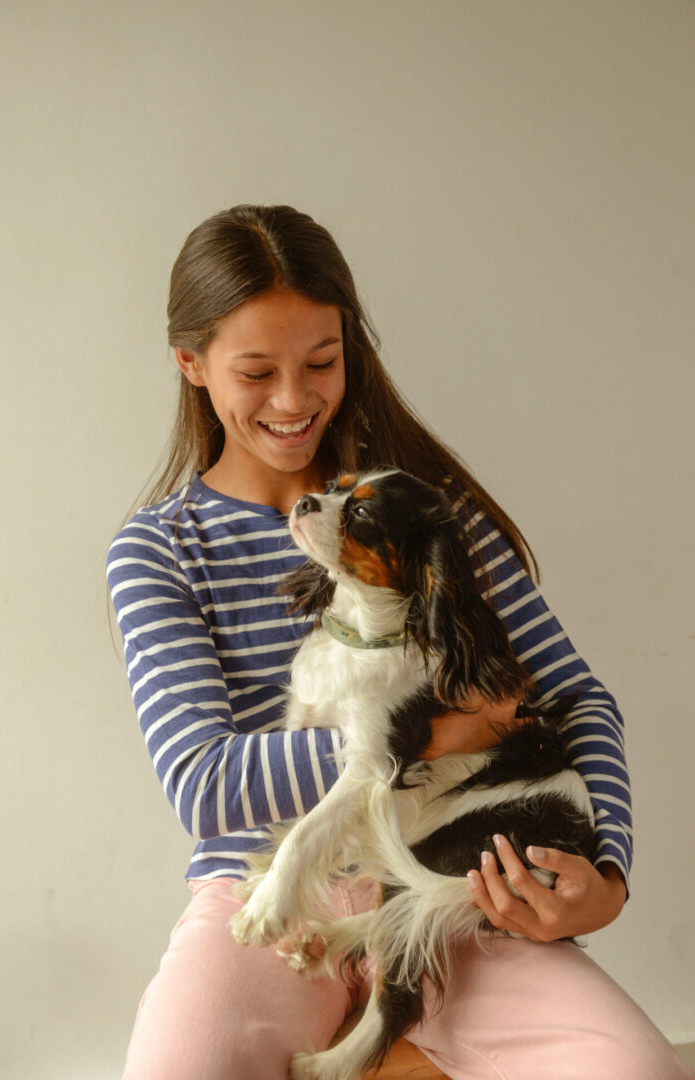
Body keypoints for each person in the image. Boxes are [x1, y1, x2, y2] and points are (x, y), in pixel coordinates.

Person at [107, 204, 690, 1079]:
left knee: (634, 1070)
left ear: (352, 347)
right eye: (256, 371)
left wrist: (604, 873)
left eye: (321, 362)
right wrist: (420, 739)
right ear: (190, 364)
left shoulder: (428, 514)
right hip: (269, 888)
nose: (294, 399)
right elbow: (203, 784)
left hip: (455, 876)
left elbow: (573, 697)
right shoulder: (159, 551)